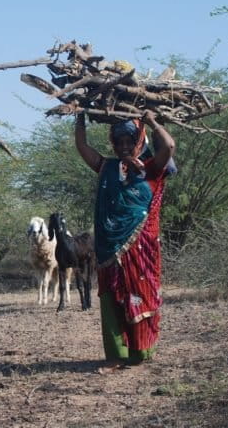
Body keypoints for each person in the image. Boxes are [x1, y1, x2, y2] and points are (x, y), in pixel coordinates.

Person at [74, 110, 176, 374]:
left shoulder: (152, 168)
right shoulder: (106, 167)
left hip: (140, 246)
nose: (123, 147)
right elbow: (82, 147)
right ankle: (115, 356)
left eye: (129, 141)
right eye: (118, 143)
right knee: (110, 298)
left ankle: (141, 351)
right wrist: (80, 117)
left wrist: (152, 121)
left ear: (139, 140)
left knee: (140, 295)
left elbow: (170, 145)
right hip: (109, 247)